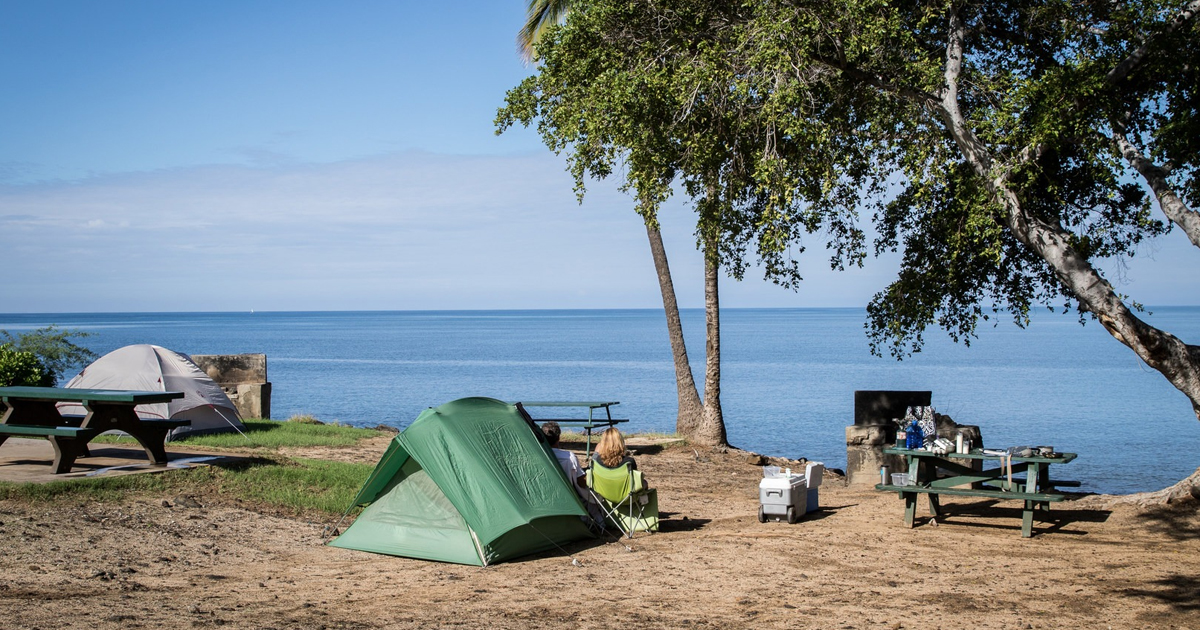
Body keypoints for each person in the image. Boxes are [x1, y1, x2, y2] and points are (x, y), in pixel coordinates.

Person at [541, 421, 586, 490]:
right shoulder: (569, 457)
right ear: (558, 438)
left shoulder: (539, 455)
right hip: (568, 493)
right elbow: (582, 483)